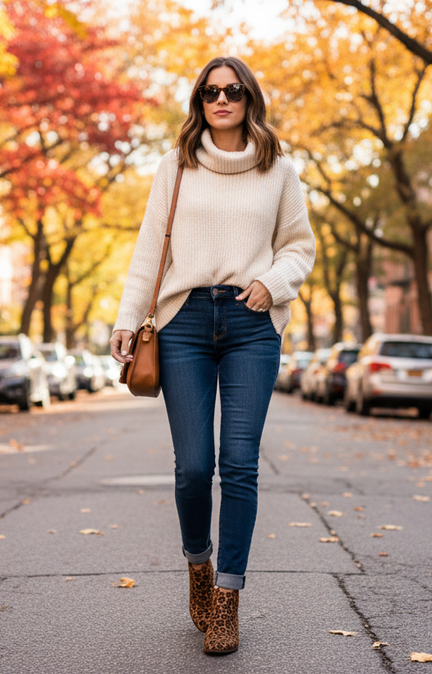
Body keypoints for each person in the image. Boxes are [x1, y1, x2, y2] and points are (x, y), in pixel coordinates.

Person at [110, 56, 315, 655]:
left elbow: (299, 247)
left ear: (250, 98)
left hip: (252, 324)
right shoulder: (174, 166)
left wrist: (273, 283)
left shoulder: (280, 169)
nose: (221, 100)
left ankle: (227, 596)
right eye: (209, 92)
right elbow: (150, 253)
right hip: (184, 322)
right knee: (195, 467)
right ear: (199, 101)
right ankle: (198, 564)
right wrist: (126, 321)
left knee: (241, 464)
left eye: (233, 90)